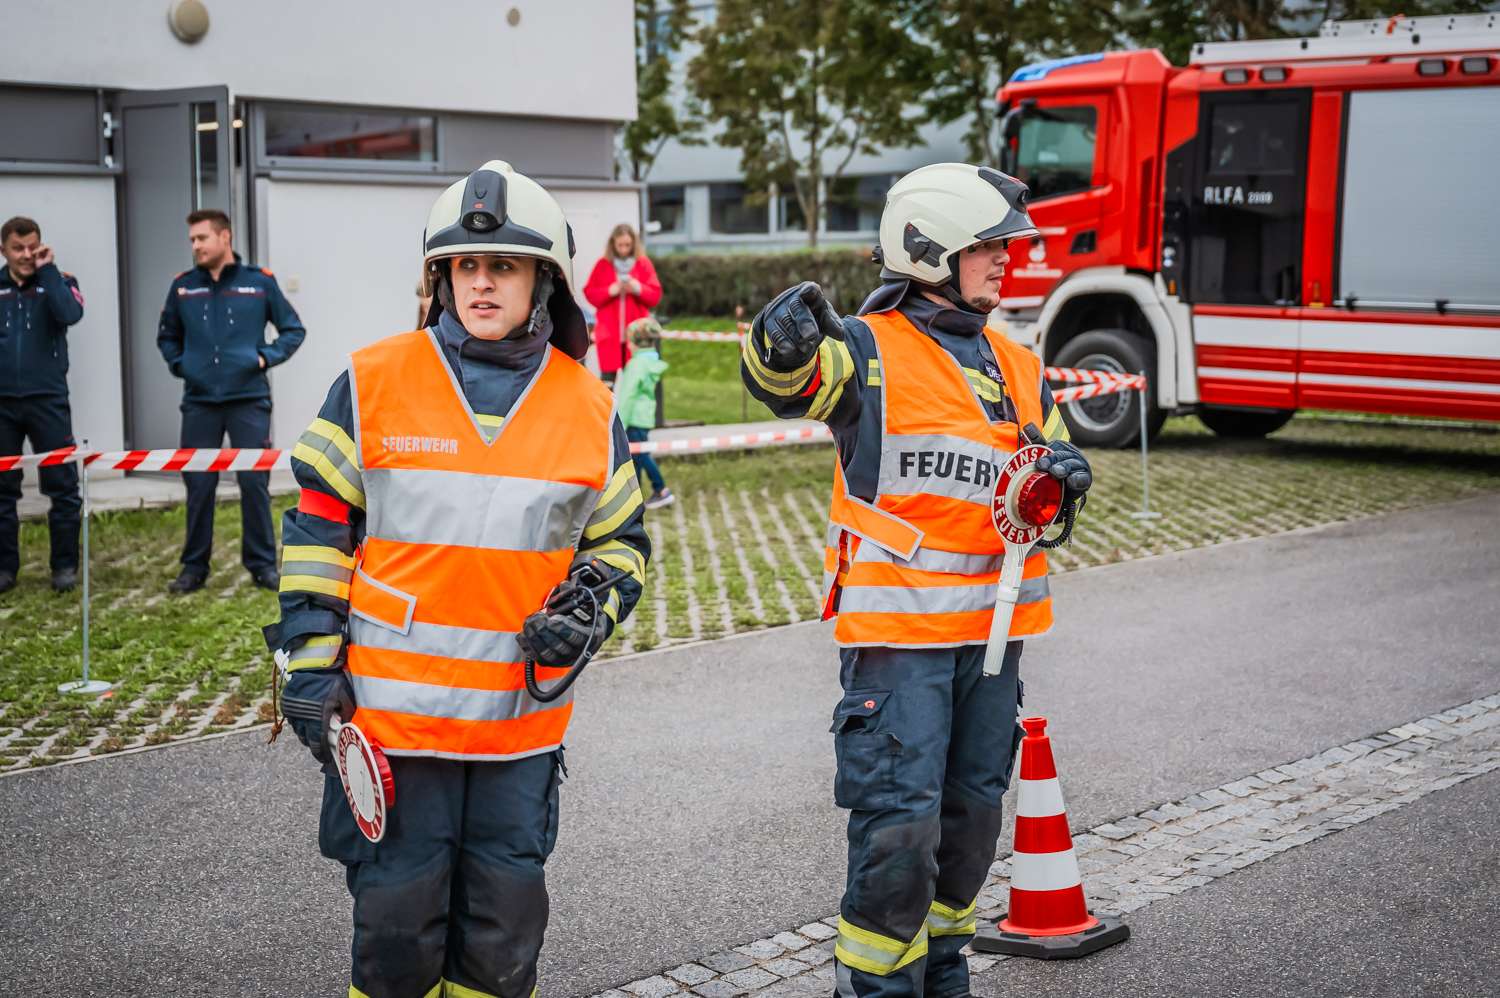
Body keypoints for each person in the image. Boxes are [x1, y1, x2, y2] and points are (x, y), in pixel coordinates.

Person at [265, 160, 650, 998]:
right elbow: (319, 531)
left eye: (503, 265)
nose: (481, 282)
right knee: (396, 944)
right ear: (440, 277)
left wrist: (590, 608)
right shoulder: (372, 381)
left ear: (543, 281)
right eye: (465, 265)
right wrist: (310, 662)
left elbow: (622, 545)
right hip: (394, 735)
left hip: (518, 739)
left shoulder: (590, 408)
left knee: (500, 949)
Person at [741, 163, 1094, 998]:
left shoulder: (1018, 363)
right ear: (931, 249)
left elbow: (1055, 447)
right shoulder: (866, 350)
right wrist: (775, 344)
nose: (1006, 258)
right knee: (899, 836)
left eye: (1007, 245)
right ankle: (878, 988)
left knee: (970, 828)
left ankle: (945, 974)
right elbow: (786, 385)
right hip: (899, 645)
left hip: (993, 644)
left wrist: (1068, 470)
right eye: (989, 245)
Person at [157, 209, 305, 594]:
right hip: (200, 402)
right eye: (192, 240)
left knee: (253, 482)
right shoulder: (183, 287)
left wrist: (263, 358)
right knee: (198, 484)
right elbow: (167, 337)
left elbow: (293, 330)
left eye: (202, 238)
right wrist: (183, 365)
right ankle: (193, 568)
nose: (195, 246)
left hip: (249, 400)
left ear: (225, 237)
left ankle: (262, 565)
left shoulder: (259, 282)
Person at [0, 216, 85, 594]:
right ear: (3, 250)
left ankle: (64, 567)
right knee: (3, 492)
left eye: (32, 247)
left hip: (48, 401)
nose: (25, 255)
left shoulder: (60, 281)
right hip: (2, 405)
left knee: (62, 487)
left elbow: (71, 314)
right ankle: (4, 569)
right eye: (17, 248)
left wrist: (48, 270)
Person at [582, 223, 661, 383]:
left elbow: (655, 296)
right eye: (620, 245)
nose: (624, 249)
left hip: (635, 334)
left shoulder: (643, 264)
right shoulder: (603, 265)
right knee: (607, 382)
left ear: (633, 244)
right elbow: (590, 293)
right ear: (613, 244)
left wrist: (638, 288)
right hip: (610, 333)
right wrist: (610, 291)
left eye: (627, 245)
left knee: (633, 381)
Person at [616, 317, 675, 509]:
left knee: (641, 456)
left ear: (635, 343)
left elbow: (628, 395)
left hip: (633, 418)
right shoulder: (650, 361)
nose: (628, 345)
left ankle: (661, 490)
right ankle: (636, 496)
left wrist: (619, 423)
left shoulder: (636, 365)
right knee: (637, 457)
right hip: (645, 417)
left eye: (629, 341)